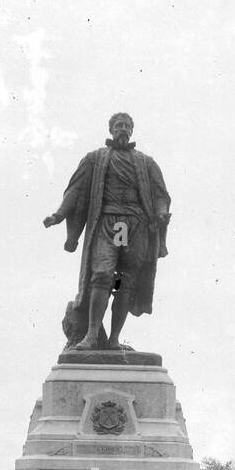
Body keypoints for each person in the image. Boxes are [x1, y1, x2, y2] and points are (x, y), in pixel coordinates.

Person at [44, 112, 171, 350]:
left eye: (126, 126)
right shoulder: (95, 158)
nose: (122, 129)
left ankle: (113, 340)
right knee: (102, 275)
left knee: (123, 281)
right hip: (108, 223)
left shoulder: (146, 162)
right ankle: (91, 335)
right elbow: (75, 190)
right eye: (118, 125)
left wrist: (162, 212)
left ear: (132, 131)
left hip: (135, 226)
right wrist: (59, 215)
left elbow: (160, 195)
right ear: (111, 129)